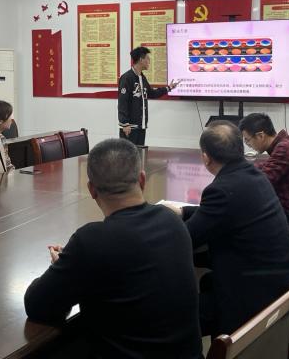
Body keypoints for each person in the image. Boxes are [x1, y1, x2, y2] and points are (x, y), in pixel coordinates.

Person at [24, 138, 202, 359]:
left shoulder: (91, 241)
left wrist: (65, 267)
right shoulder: (172, 221)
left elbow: (38, 306)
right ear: (142, 180)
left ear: (91, 189)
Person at [163, 121, 289, 345]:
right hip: (283, 297)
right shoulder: (253, 175)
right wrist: (184, 211)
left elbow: (186, 239)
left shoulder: (222, 189)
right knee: (206, 280)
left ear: (206, 157)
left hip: (263, 311)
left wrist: (157, 226)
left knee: (169, 316)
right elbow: (224, 211)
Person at [239, 113, 289, 236]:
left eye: (247, 140)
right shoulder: (286, 143)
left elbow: (261, 183)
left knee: (240, 217)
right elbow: (268, 166)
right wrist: (245, 168)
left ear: (260, 136)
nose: (247, 144)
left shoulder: (284, 148)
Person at [118, 46, 179, 146]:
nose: (149, 62)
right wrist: (124, 124)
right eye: (147, 59)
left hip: (141, 126)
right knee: (128, 154)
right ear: (141, 60)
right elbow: (122, 102)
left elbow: (152, 94)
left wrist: (168, 88)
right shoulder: (126, 78)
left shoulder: (142, 78)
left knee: (140, 153)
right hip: (129, 128)